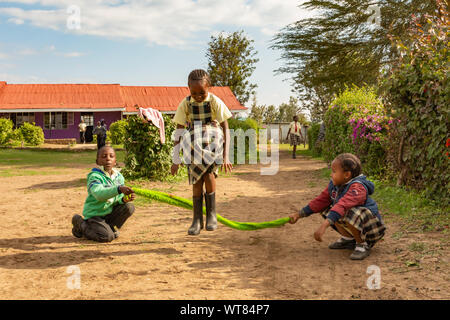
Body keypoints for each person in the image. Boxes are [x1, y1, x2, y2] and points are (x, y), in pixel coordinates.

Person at [170, 69, 233, 235]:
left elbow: (226, 128)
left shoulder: (215, 101)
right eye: (194, 92)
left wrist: (226, 156)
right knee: (197, 181)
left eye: (202, 93)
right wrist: (176, 159)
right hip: (193, 147)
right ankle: (197, 219)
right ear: (188, 88)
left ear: (209, 87)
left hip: (212, 143)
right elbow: (179, 131)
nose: (198, 96)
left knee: (209, 175)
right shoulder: (185, 104)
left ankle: (211, 214)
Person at [289, 153, 386, 260]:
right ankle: (348, 239)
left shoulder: (358, 188)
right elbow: (321, 201)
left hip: (372, 230)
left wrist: (324, 226)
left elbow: (343, 204)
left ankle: (362, 244)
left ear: (347, 175)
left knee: (348, 211)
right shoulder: (335, 185)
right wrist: (299, 214)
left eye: (334, 172)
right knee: (329, 208)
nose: (331, 175)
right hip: (360, 225)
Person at [71, 146, 135, 242]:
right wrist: (118, 189)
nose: (108, 159)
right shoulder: (94, 176)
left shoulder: (119, 177)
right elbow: (99, 194)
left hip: (108, 213)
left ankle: (109, 226)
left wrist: (124, 199)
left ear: (115, 161)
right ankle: (81, 224)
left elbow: (117, 198)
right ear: (97, 161)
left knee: (129, 207)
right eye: (104, 156)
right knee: (106, 237)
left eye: (111, 156)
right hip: (95, 215)